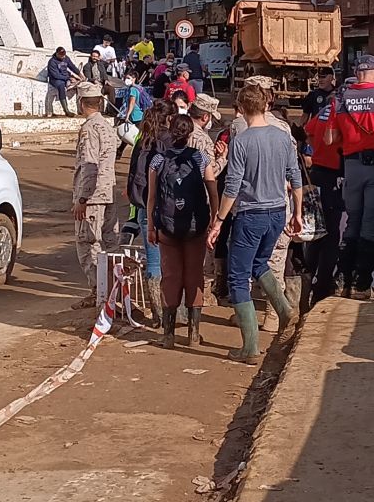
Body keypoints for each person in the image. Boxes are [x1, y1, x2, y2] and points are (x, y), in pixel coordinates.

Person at [208, 83, 303, 363]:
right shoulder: (283, 136)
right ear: (266, 105)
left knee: (238, 277)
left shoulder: (242, 141)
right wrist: (297, 213)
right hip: (277, 211)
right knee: (260, 263)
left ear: (240, 108)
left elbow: (233, 186)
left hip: (251, 215)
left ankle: (250, 348)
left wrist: (218, 221)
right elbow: (295, 177)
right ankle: (284, 310)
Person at [329, 54, 374, 300]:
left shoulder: (339, 99)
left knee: (352, 223)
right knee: (370, 227)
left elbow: (331, 139)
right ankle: (361, 284)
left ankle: (342, 280)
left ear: (357, 73)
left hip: (351, 167)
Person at [147, 113, 217, 349]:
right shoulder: (200, 158)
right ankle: (193, 334)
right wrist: (214, 220)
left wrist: (151, 225)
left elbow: (152, 198)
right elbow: (212, 191)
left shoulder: (157, 160)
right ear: (190, 134)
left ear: (170, 128)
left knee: (171, 276)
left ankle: (167, 335)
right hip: (196, 228)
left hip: (166, 228)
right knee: (193, 275)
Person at [70, 86, 122, 312]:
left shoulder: (90, 129)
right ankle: (114, 289)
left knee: (88, 242)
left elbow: (90, 166)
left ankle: (97, 290)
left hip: (92, 195)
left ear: (81, 103)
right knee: (109, 242)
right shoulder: (107, 126)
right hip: (108, 189)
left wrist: (82, 198)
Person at [125, 102, 175, 324]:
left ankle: (158, 315)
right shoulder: (169, 141)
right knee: (172, 262)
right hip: (166, 209)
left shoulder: (142, 140)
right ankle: (170, 311)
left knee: (153, 262)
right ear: (168, 118)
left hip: (145, 207)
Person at [301, 81, 344, 306]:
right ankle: (322, 287)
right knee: (331, 235)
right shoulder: (339, 114)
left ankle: (307, 278)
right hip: (334, 176)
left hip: (317, 173)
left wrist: (317, 149)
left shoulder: (324, 112)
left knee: (316, 231)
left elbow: (307, 132)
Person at [45, 47, 82, 116]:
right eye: (61, 56)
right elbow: (56, 75)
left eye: (64, 55)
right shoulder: (52, 62)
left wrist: (79, 73)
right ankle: (66, 110)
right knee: (61, 85)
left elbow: (72, 66)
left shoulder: (66, 58)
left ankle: (80, 109)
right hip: (55, 80)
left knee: (80, 84)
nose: (63, 57)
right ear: (57, 54)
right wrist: (69, 78)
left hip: (66, 77)